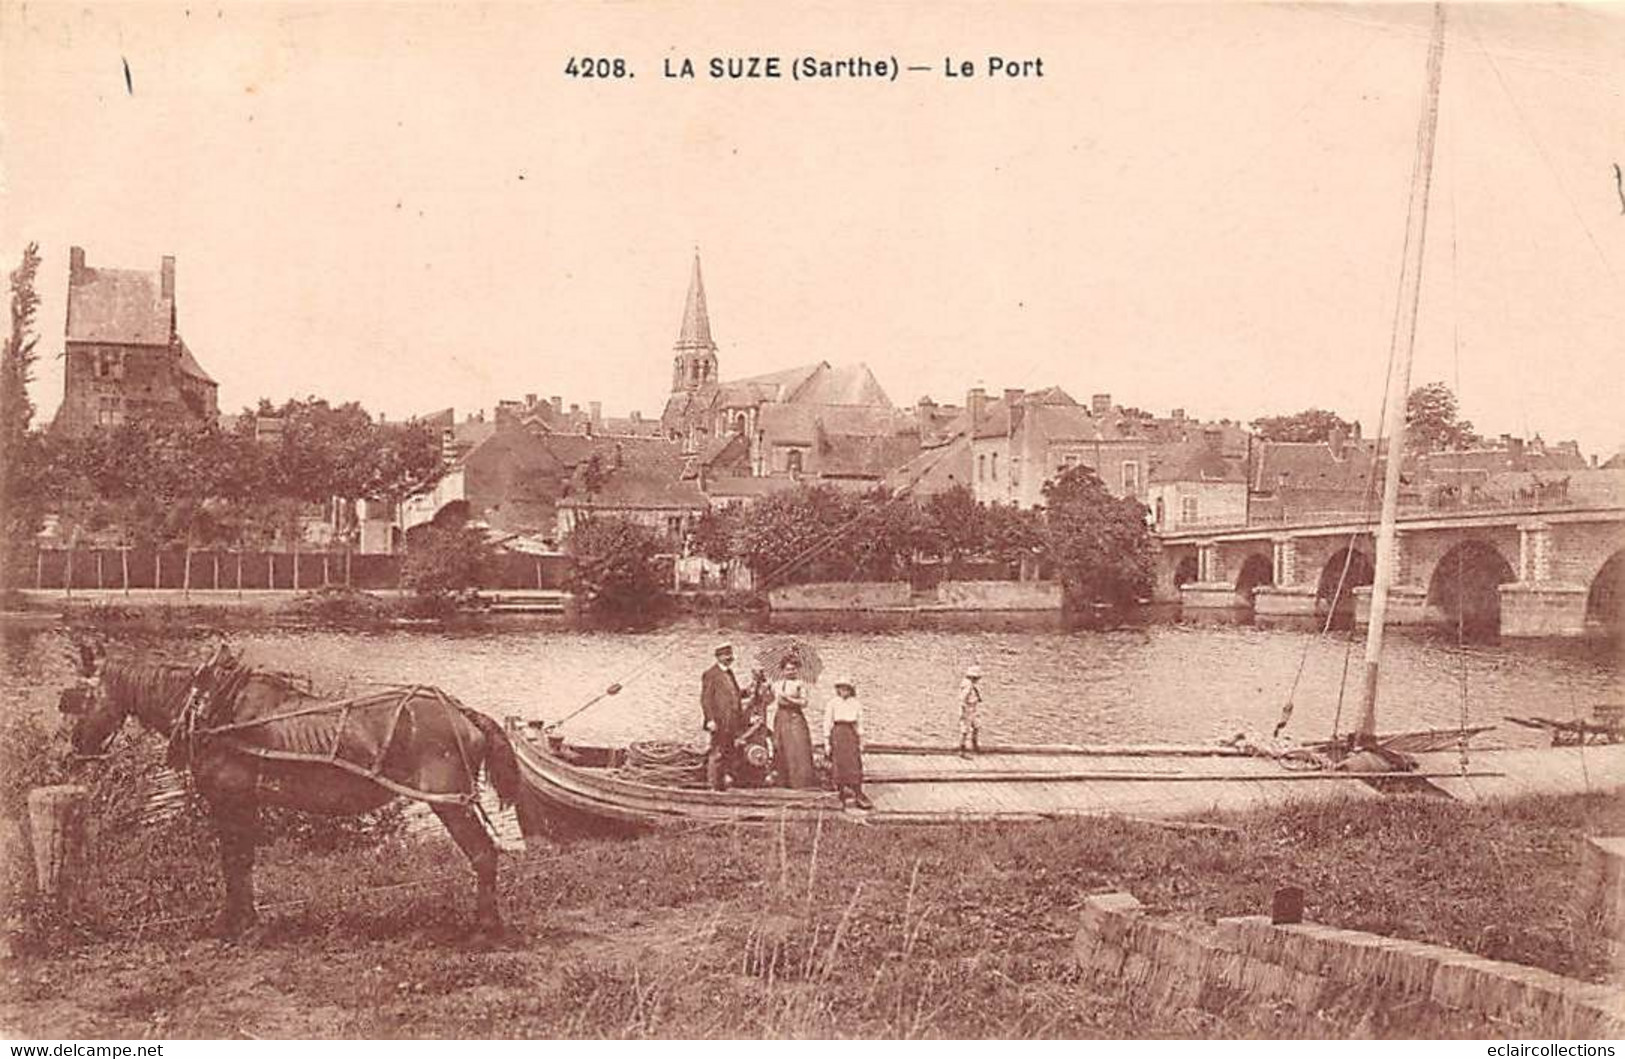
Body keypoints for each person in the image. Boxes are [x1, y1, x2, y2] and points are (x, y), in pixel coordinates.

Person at [822, 675, 872, 810]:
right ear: (837, 689)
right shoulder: (832, 703)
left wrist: (861, 740)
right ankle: (840, 792)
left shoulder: (856, 704)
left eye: (846, 688)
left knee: (854, 762)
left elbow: (859, 724)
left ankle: (858, 792)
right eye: (841, 688)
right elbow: (827, 722)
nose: (844, 691)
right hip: (837, 733)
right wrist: (827, 742)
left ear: (850, 690)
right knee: (839, 763)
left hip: (850, 733)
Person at [700, 643, 744, 790]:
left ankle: (725, 782)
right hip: (718, 721)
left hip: (731, 721)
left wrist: (749, 691)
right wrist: (710, 720)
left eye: (730, 655)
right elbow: (706, 699)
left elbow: (735, 694)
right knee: (717, 753)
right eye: (725, 655)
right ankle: (713, 785)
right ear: (718, 657)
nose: (729, 658)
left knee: (729, 751)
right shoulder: (710, 674)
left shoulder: (729, 673)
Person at [770, 656, 817, 789]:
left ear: (797, 670)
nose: (790, 672)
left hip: (795, 717)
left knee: (797, 747)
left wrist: (789, 698)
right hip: (781, 717)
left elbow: (804, 702)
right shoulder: (777, 684)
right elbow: (768, 699)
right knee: (780, 746)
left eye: (793, 669)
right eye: (787, 669)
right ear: (782, 670)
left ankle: (800, 782)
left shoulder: (800, 684)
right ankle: (782, 781)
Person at [958, 664, 983, 757]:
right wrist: (964, 710)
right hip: (968, 708)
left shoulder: (969, 684)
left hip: (972, 708)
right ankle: (962, 749)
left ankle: (974, 746)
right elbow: (963, 698)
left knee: (976, 726)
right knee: (965, 729)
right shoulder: (968, 685)